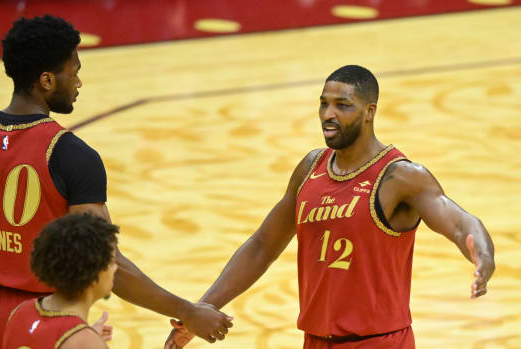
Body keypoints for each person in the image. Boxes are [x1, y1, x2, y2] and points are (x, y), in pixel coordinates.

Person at [0, 14, 232, 349]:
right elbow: (106, 262)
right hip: (40, 320)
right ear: (46, 80)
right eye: (74, 71)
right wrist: (187, 310)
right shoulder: (70, 154)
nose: (80, 82)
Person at [164, 65, 495, 349]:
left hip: (378, 341)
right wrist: (201, 310)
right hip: (316, 340)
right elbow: (262, 247)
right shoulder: (311, 167)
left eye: (342, 105)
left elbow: (460, 223)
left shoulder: (400, 176)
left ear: (369, 112)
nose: (328, 115)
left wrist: (481, 253)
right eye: (323, 104)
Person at [3, 213, 118, 349]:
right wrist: (87, 340)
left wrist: (86, 335)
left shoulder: (20, 313)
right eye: (111, 262)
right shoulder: (85, 342)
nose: (115, 268)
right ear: (93, 273)